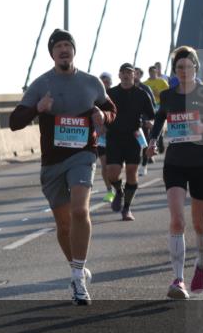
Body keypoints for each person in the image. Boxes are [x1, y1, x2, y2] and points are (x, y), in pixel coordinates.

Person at [10, 29, 116, 306]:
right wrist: (38, 108)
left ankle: (78, 277)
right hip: (52, 161)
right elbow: (15, 121)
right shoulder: (41, 84)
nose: (64, 50)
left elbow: (111, 109)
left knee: (80, 210)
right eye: (58, 46)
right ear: (52, 53)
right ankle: (76, 267)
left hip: (83, 154)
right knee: (64, 223)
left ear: (74, 51)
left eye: (68, 45)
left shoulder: (91, 83)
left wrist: (103, 115)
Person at [146, 46, 203, 299]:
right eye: (179, 67)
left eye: (188, 66)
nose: (184, 71)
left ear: (196, 68)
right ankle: (178, 279)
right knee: (177, 220)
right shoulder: (167, 96)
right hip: (175, 162)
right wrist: (153, 141)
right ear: (174, 71)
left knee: (198, 223)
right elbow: (160, 120)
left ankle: (202, 263)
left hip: (201, 163)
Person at [105, 63, 155, 221]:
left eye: (129, 73)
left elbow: (151, 114)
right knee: (112, 173)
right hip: (114, 137)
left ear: (134, 75)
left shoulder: (141, 94)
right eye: (123, 73)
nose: (126, 75)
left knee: (132, 172)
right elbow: (101, 110)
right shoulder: (110, 93)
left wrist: (149, 122)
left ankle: (126, 208)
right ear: (119, 75)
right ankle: (118, 192)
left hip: (133, 137)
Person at [97, 73, 115, 203]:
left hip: (116, 135)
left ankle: (118, 186)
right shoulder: (94, 97)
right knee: (104, 164)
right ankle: (109, 191)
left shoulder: (115, 96)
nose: (104, 83)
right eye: (102, 81)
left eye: (107, 81)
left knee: (115, 166)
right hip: (101, 137)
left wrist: (108, 127)